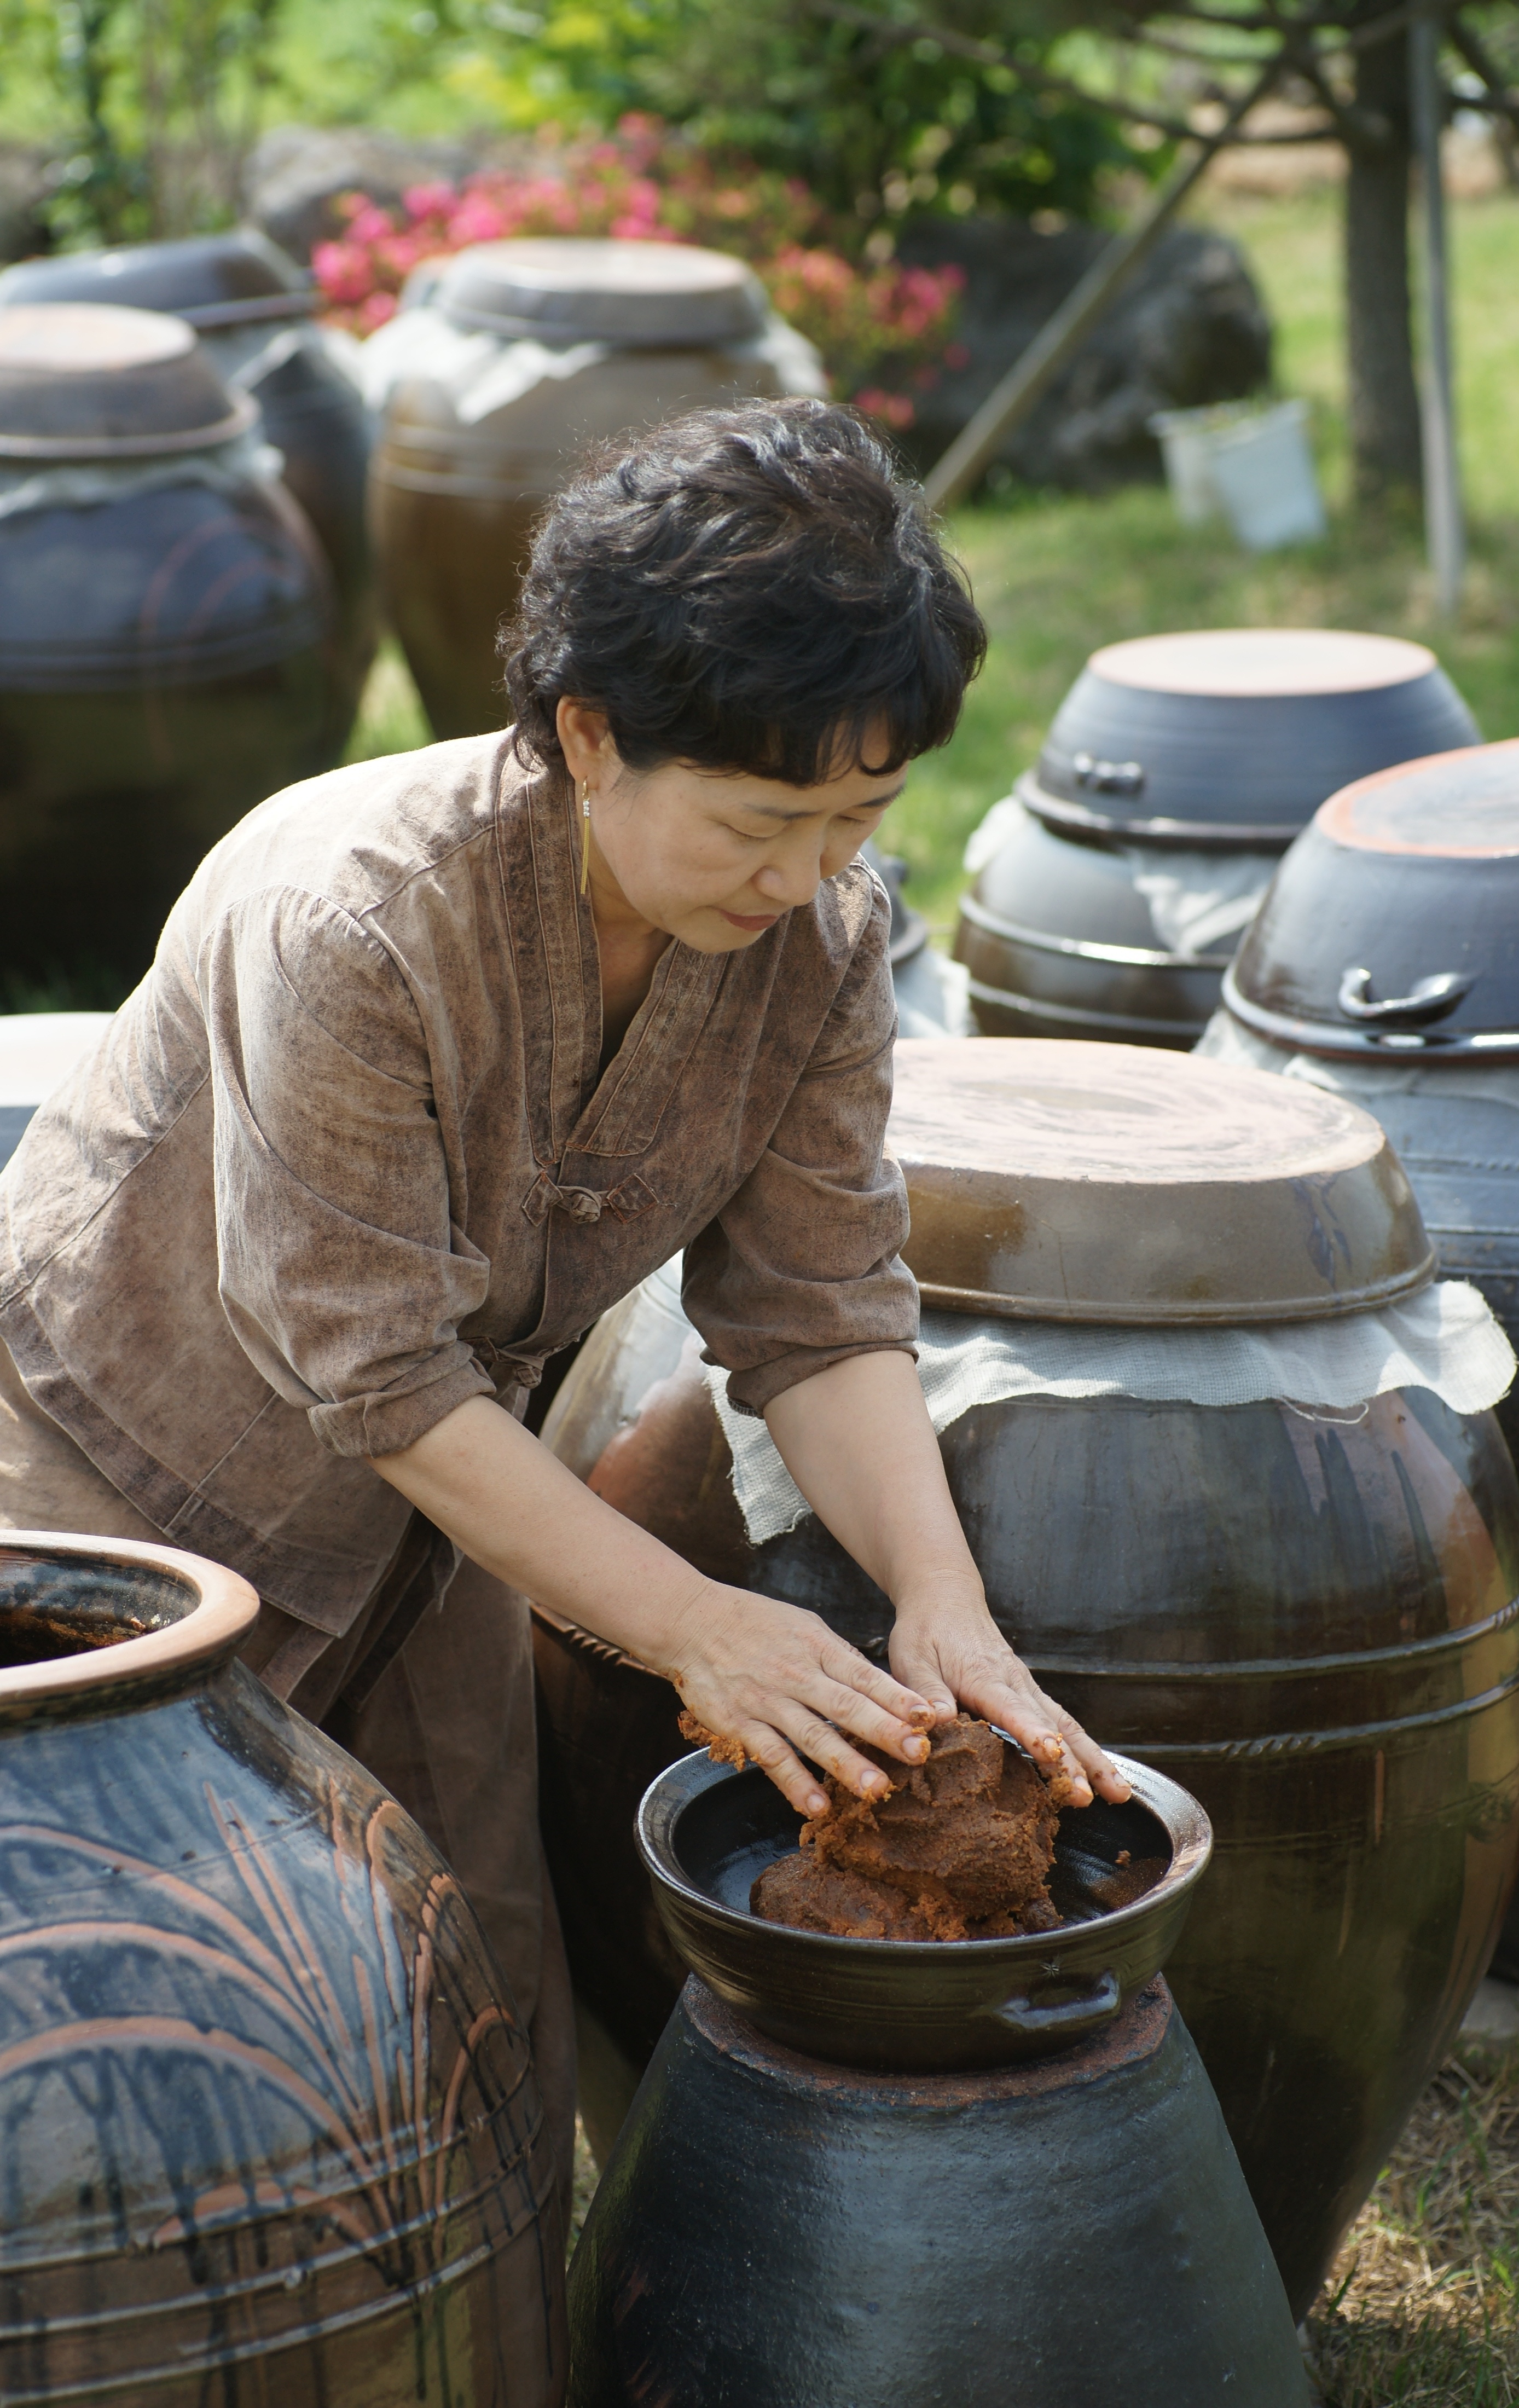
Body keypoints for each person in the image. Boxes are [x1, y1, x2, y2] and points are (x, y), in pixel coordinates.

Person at [0, 398, 1127, 2398]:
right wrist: (695, 1622)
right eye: (758, 821)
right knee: (117, 2065)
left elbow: (822, 1308)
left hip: (445, 1533)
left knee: (471, 2012)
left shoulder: (820, 940)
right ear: (587, 728)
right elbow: (377, 1368)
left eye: (857, 821)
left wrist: (942, 1603)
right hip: (98, 1514)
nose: (807, 876)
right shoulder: (352, 911)